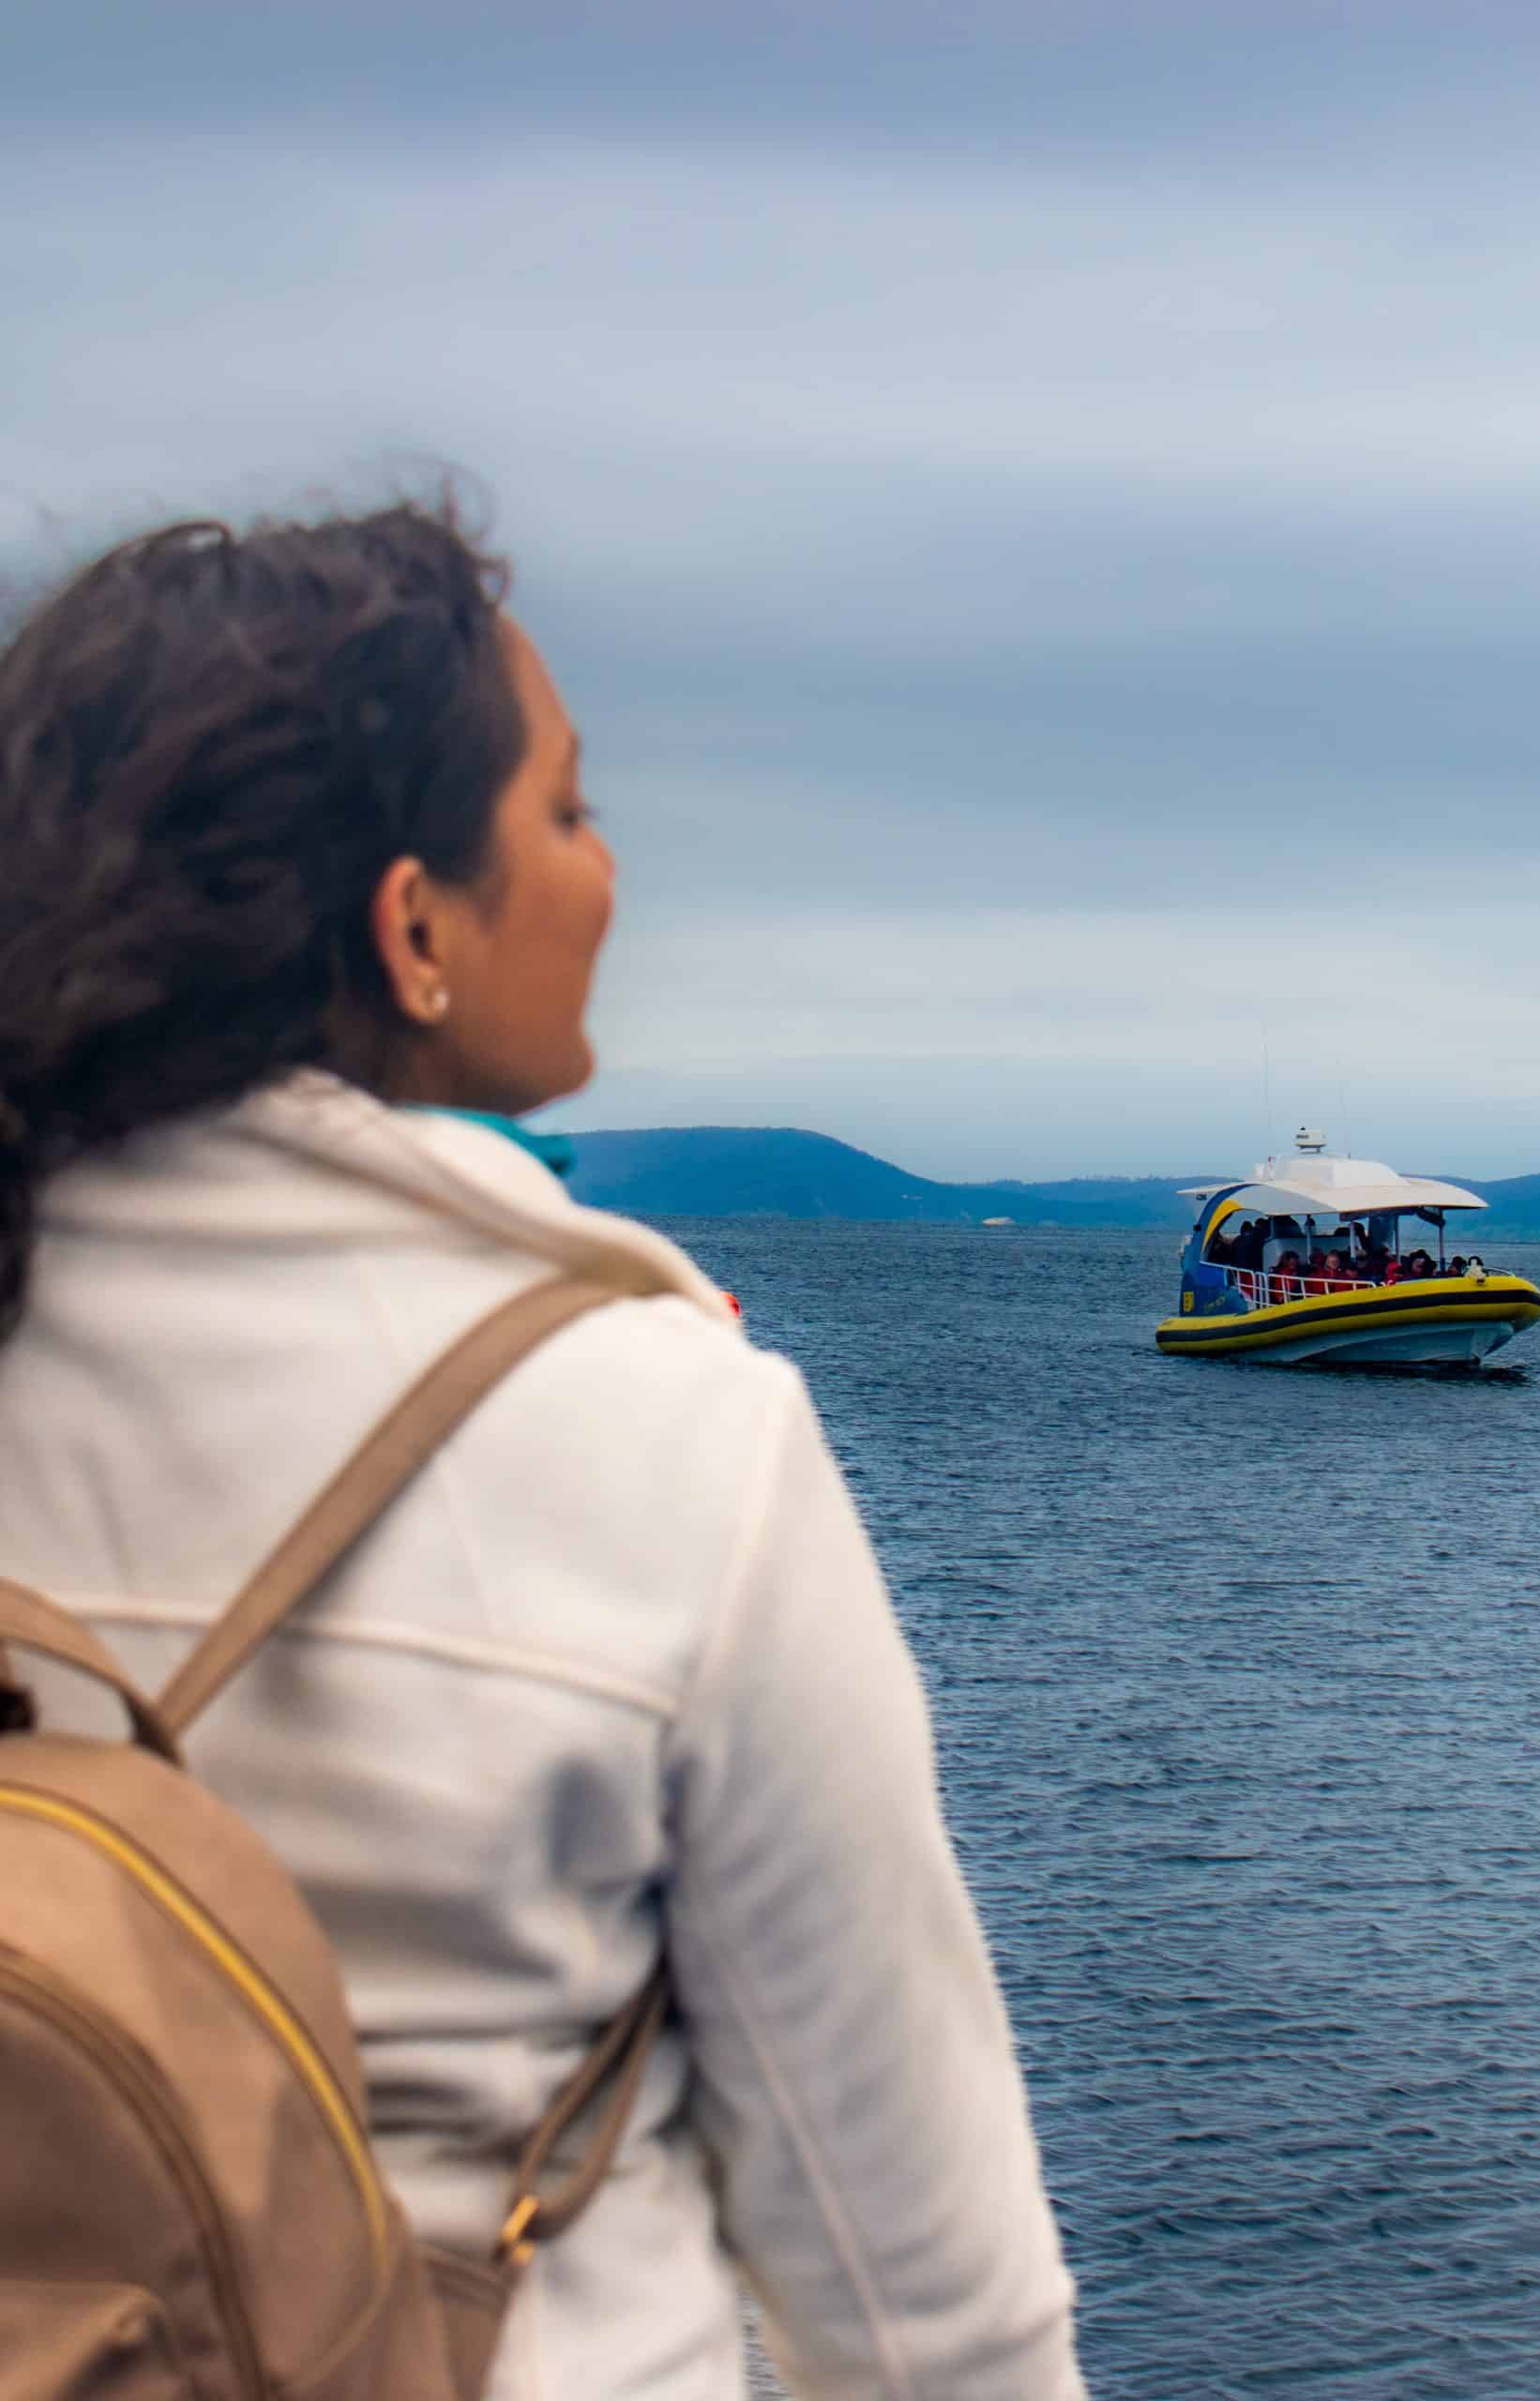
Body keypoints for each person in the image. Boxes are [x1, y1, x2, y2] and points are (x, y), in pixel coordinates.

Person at [0, 502, 1083, 2399]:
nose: (604, 872)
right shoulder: (655, 1432)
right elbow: (930, 2317)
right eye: (567, 812)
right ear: (411, 925)